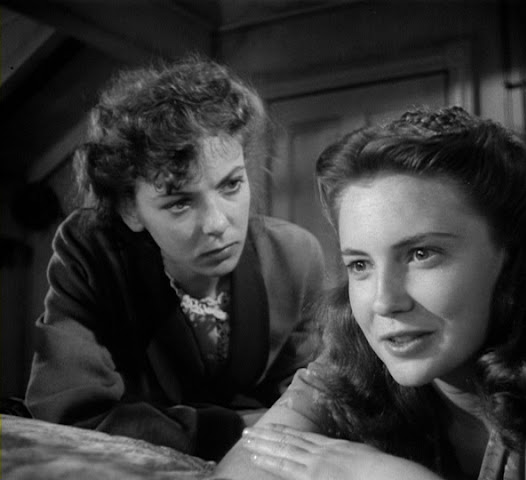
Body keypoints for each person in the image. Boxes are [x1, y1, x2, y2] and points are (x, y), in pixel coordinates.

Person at [216, 106, 526, 479]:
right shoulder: (357, 366)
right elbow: (245, 468)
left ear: (510, 254)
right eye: (360, 265)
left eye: (421, 254)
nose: (384, 302)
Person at [25, 55, 326, 461]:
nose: (218, 223)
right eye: (180, 203)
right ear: (130, 209)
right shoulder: (93, 252)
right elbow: (69, 413)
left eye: (231, 185)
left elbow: (310, 404)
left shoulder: (294, 256)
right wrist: (233, 428)